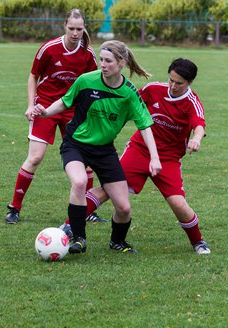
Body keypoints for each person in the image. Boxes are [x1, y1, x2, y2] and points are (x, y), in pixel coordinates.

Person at [62, 57, 211, 255]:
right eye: (171, 80)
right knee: (109, 189)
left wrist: (197, 139)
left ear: (190, 83)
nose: (173, 86)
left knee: (178, 203)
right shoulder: (153, 89)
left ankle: (198, 241)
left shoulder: (191, 102)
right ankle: (69, 226)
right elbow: (127, 101)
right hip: (139, 150)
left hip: (168, 159)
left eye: (179, 83)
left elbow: (199, 125)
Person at [32, 40, 162, 254]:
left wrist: (154, 158)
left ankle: (117, 242)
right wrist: (45, 112)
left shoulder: (129, 93)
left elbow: (146, 126)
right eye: (101, 59)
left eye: (108, 61)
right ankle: (79, 238)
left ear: (121, 63)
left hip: (104, 150)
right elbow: (65, 102)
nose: (102, 64)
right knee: (80, 181)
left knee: (124, 207)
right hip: (76, 144)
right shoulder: (85, 81)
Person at [5, 8, 98, 224]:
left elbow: (93, 82)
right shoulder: (49, 48)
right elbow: (33, 76)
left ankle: (89, 209)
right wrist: (30, 105)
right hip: (45, 106)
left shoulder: (88, 54)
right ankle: (14, 208)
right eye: (72, 28)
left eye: (79, 29)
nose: (75, 33)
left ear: (84, 28)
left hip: (72, 109)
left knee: (86, 160)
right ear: (65, 26)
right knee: (35, 157)